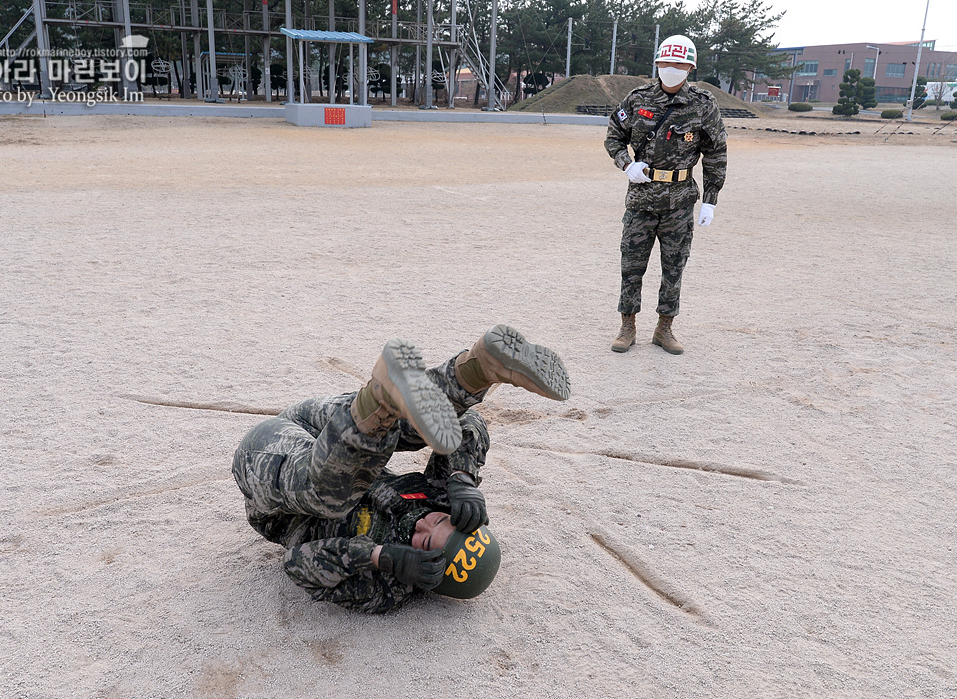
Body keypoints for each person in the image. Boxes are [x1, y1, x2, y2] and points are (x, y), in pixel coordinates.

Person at [231, 325, 570, 613]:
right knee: (417, 428)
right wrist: (463, 479)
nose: (423, 523)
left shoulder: (386, 588)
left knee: (331, 496)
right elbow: (469, 424)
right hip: (326, 425)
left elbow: (298, 564)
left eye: (424, 543)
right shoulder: (437, 502)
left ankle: (380, 403)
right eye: (438, 522)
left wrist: (379, 557)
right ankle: (478, 368)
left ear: (431, 572)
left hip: (269, 471)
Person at [604, 34, 728, 355]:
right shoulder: (637, 99)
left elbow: (716, 153)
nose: (672, 69)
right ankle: (627, 325)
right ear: (657, 63)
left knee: (674, 267)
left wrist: (710, 200)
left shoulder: (703, 105)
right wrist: (625, 164)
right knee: (631, 265)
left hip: (679, 202)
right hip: (641, 199)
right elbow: (614, 136)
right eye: (666, 63)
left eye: (679, 64)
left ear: (690, 67)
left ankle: (664, 328)